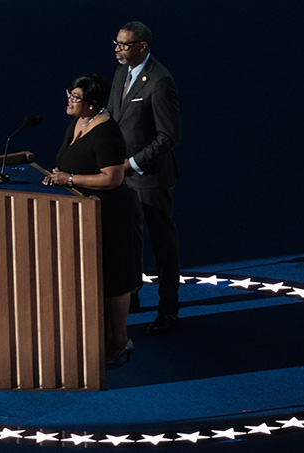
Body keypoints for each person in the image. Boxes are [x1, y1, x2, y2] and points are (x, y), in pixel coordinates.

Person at [44, 74, 140, 364]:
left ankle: (120, 342)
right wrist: (59, 175)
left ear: (92, 104)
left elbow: (113, 178)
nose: (70, 101)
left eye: (76, 98)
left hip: (110, 214)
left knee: (114, 278)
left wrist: (69, 178)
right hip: (83, 212)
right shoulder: (79, 122)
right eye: (70, 94)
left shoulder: (106, 133)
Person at [107, 21, 182, 335]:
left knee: (162, 244)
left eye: (124, 44)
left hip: (148, 177)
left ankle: (168, 308)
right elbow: (114, 117)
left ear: (143, 46)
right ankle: (132, 295)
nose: (118, 49)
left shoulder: (160, 81)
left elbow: (169, 135)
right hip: (121, 177)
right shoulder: (121, 73)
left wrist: (132, 164)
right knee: (128, 241)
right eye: (117, 42)